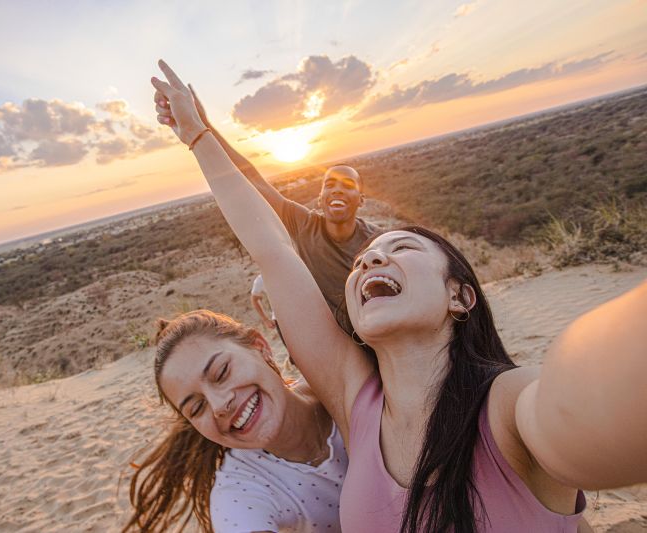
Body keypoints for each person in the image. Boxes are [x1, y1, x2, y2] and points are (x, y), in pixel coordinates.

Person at [151, 60, 647, 532]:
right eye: (363, 262)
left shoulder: (506, 407)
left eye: (403, 248)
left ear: (460, 297)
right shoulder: (356, 407)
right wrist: (198, 135)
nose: (370, 260)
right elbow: (271, 248)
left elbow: (582, 409)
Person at [158, 86, 380, 334]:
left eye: (347, 185)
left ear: (361, 200)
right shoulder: (304, 224)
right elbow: (253, 179)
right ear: (320, 199)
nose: (337, 190)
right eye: (330, 184)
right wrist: (203, 127)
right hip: (330, 342)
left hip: (374, 337)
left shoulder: (378, 241)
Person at [124, 310, 347, 533]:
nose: (218, 406)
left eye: (221, 373)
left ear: (260, 347)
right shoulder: (239, 490)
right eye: (197, 408)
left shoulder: (346, 382)